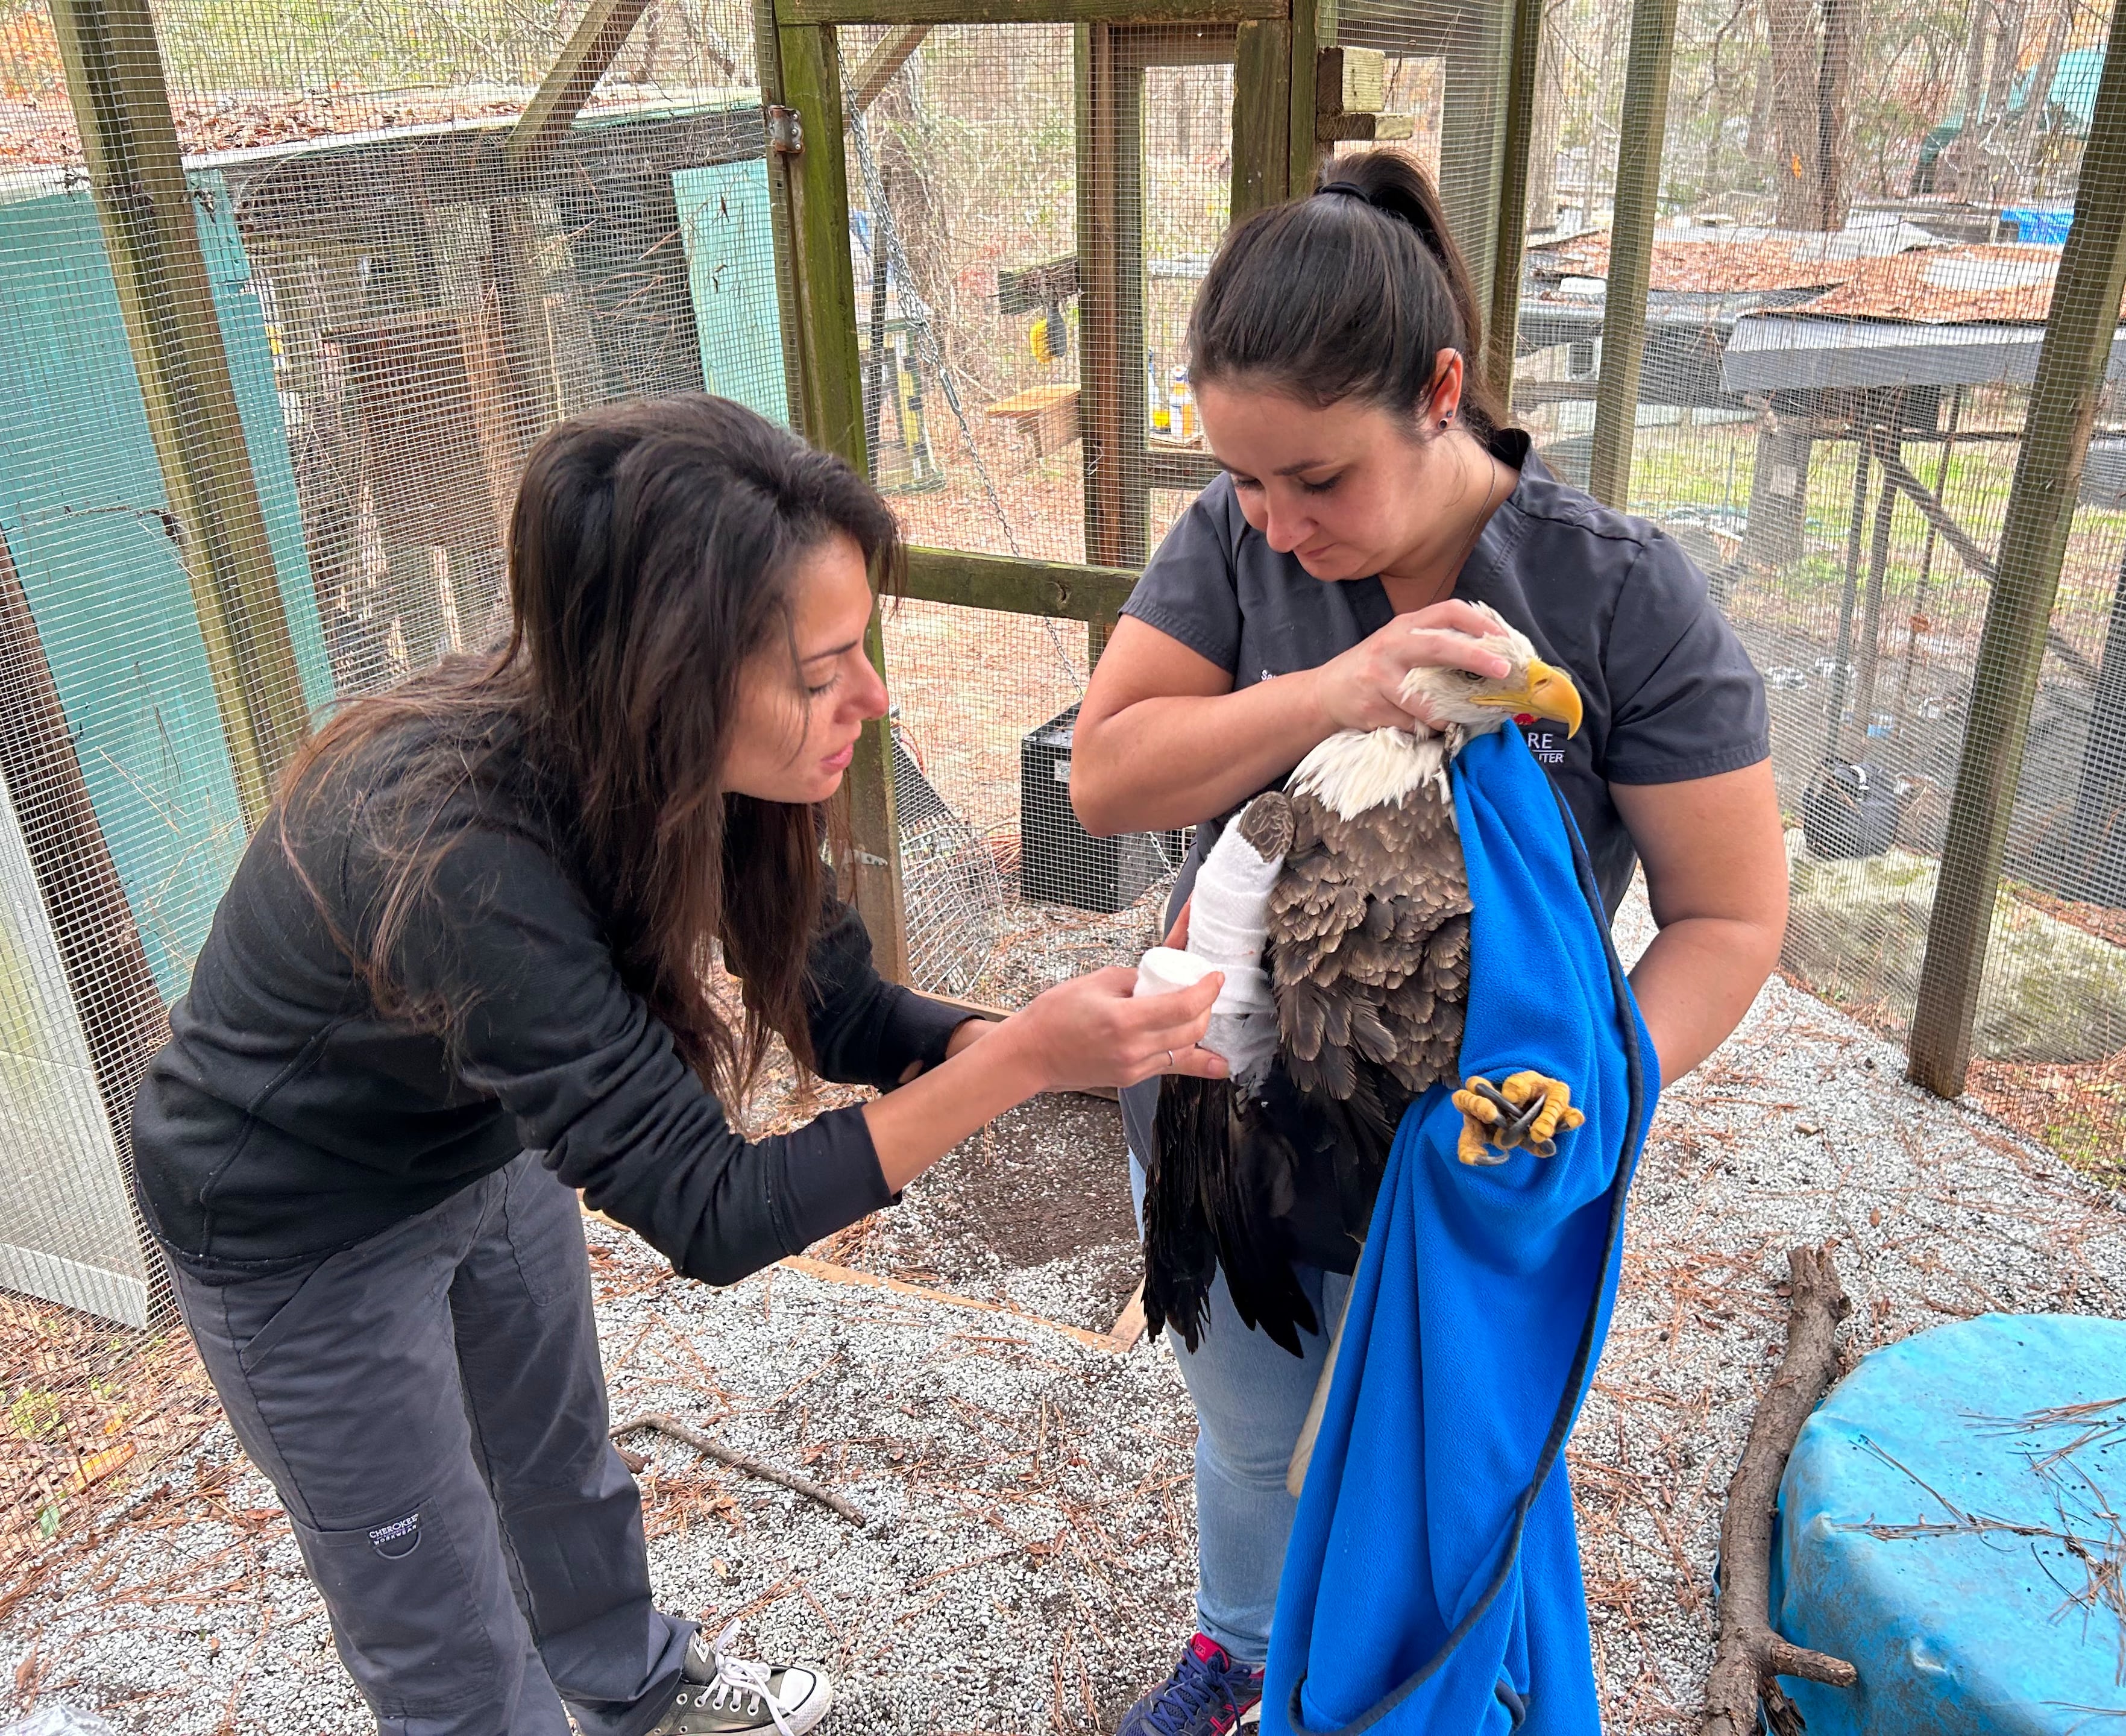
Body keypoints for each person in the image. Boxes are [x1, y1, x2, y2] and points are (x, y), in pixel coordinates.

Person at [129, 395, 1229, 1736]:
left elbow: (839, 1011)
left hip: (479, 1140)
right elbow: (714, 1212)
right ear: (673, 676)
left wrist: (1000, 1042)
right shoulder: (455, 848)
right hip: (294, 1224)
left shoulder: (689, 771)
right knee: (443, 1634)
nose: (871, 701)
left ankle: (636, 1689)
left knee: (560, 1470)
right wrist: (1014, 1070)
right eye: (822, 672)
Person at [1071, 154, 1788, 1734]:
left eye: (1314, 480)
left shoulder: (1618, 600)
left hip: (1473, 1148)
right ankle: (1240, 1651)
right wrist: (1335, 689)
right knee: (1255, 1428)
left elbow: (1732, 916)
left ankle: (1415, 1687)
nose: (1276, 523)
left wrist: (1583, 1100)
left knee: (1443, 1459)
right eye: (1244, 481)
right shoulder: (1239, 537)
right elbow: (1108, 768)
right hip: (1229, 1105)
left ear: (1440, 392)